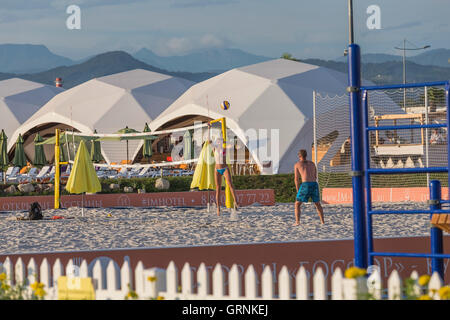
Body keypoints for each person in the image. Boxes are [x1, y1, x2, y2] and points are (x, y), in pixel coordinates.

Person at [207, 123, 239, 216]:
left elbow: (232, 145)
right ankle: (218, 208)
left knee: (230, 184)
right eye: (218, 141)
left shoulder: (225, 148)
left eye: (220, 140)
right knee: (218, 189)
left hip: (224, 168)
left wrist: (229, 137)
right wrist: (209, 128)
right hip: (217, 169)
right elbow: (209, 140)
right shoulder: (214, 148)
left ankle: (236, 203)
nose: (219, 142)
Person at [293, 149, 324, 226]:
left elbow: (296, 179)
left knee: (297, 204)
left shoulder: (297, 164)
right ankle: (322, 221)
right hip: (314, 184)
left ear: (299, 156)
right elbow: (315, 176)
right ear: (306, 155)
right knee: (317, 204)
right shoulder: (312, 164)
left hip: (306, 184)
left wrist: (298, 190)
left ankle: (297, 222)